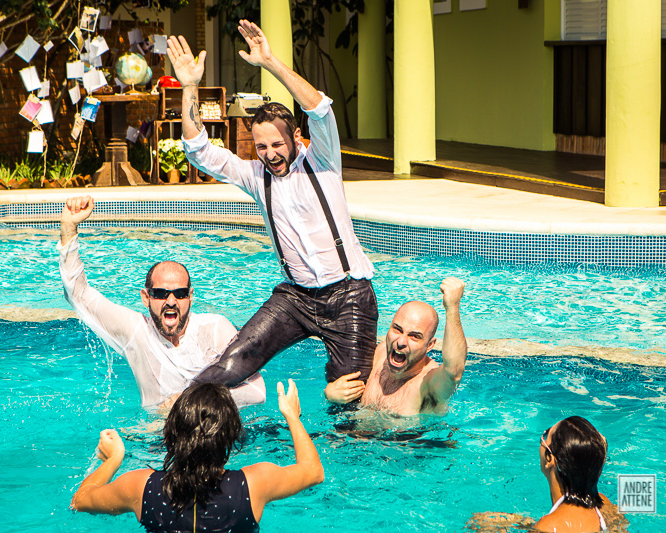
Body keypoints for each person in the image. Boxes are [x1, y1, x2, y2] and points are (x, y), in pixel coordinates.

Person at [166, 20, 378, 391]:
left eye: (277, 145)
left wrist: (270, 62)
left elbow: (320, 108)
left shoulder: (323, 161)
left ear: (296, 136)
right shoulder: (254, 176)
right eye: (261, 147)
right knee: (229, 366)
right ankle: (182, 416)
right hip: (294, 297)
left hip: (348, 294)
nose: (270, 155)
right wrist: (189, 87)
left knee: (350, 392)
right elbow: (199, 151)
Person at [59, 195, 265, 408]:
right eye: (160, 293)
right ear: (146, 297)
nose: (171, 301)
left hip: (217, 436)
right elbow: (78, 295)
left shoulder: (215, 329)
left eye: (180, 293)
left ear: (191, 296)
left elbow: (257, 392)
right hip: (157, 436)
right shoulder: (136, 332)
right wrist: (68, 229)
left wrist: (189, 401)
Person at [71, 380, 324, 531]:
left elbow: (80, 500)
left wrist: (114, 459)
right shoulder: (254, 484)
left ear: (172, 433)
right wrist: (292, 416)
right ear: (230, 437)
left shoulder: (141, 487)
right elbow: (313, 471)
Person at [324, 277, 467, 415]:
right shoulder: (379, 353)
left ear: (429, 345)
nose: (401, 342)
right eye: (397, 329)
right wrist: (330, 393)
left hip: (414, 439)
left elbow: (454, 371)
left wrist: (453, 307)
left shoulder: (428, 383)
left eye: (414, 336)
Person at [535, 416, 626, 533]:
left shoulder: (548, 527)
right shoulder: (605, 506)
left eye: (545, 436)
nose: (542, 441)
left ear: (550, 459)